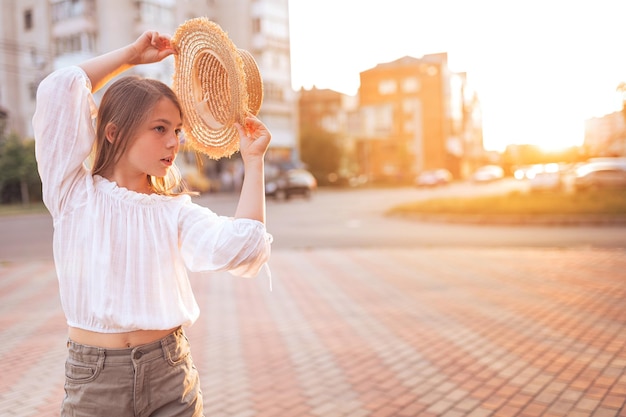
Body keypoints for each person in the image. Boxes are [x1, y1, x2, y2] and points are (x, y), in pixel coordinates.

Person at [32, 31, 272, 417]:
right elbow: (60, 89)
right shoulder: (73, 193)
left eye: (177, 131)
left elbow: (242, 247)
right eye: (160, 128)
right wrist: (130, 56)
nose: (173, 142)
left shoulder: (173, 210)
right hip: (95, 381)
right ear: (113, 133)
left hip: (170, 375)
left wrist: (254, 161)